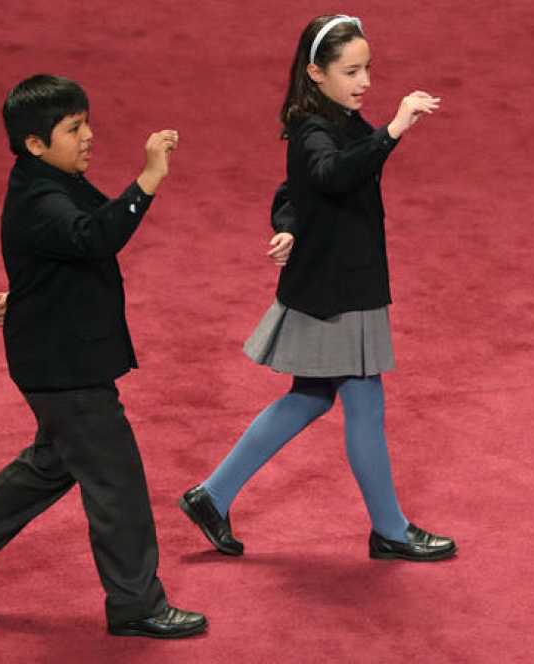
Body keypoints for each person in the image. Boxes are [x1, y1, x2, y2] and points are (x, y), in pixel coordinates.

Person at [0, 74, 206, 639]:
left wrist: (24, 293)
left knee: (54, 462)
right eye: (74, 128)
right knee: (116, 482)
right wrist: (148, 179)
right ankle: (136, 604)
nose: (89, 135)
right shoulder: (42, 197)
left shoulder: (48, 178)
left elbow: (55, 252)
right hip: (65, 369)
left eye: (86, 122)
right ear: (35, 143)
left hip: (54, 354)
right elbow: (93, 237)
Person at [179, 14, 456, 562]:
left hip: (335, 280)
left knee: (310, 396)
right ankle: (391, 530)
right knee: (364, 403)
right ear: (315, 73)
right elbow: (328, 175)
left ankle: (212, 495)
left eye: (367, 69)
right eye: (351, 71)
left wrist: (288, 225)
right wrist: (392, 131)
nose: (365, 81)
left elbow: (295, 190)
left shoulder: (338, 119)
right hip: (340, 290)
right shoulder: (314, 129)